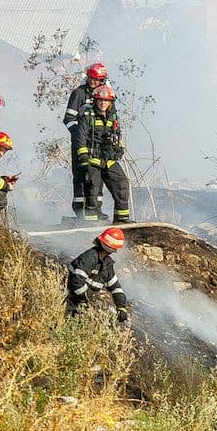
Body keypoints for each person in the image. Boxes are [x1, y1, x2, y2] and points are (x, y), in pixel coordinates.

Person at [75, 84, 132, 223]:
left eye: (106, 101)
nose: (102, 103)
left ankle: (121, 220)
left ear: (110, 102)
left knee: (122, 184)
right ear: (95, 101)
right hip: (92, 160)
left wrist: (119, 148)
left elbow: (117, 136)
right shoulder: (88, 116)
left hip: (109, 160)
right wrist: (84, 157)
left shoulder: (113, 117)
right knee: (92, 191)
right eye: (100, 100)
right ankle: (90, 223)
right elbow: (80, 137)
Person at [63, 61, 108, 217]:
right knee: (81, 175)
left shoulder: (105, 95)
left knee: (98, 176)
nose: (92, 82)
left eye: (96, 79)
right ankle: (80, 212)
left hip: (99, 145)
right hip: (81, 144)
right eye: (90, 78)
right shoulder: (79, 93)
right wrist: (80, 137)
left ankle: (96, 208)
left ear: (102, 80)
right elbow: (68, 119)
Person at [66, 225, 129, 323]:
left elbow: (115, 287)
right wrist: (90, 299)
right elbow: (76, 282)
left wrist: (121, 307)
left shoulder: (106, 264)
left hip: (85, 307)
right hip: (71, 303)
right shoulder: (89, 258)